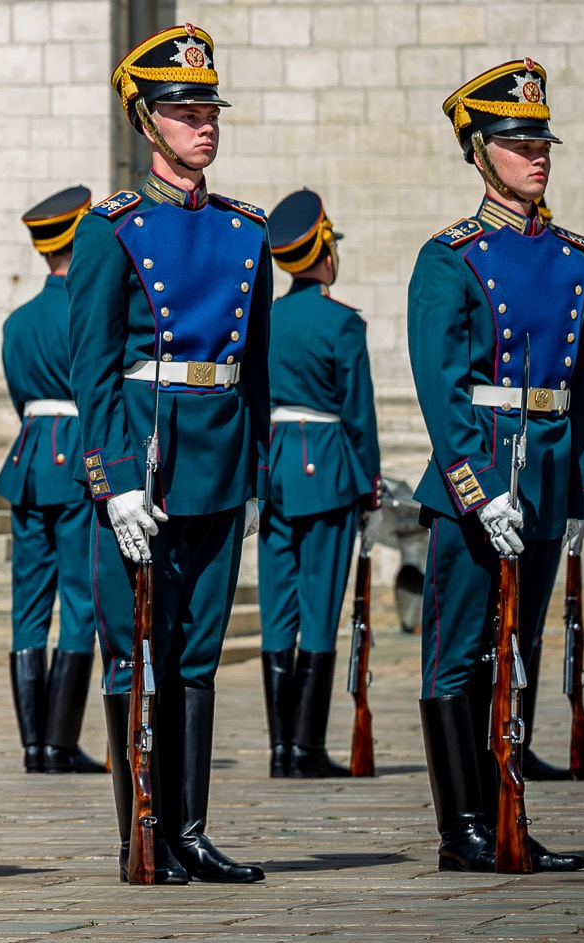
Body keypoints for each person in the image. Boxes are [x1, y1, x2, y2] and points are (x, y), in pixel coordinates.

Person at [70, 24, 268, 885]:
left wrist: (253, 473)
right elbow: (93, 369)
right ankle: (138, 831)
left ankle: (188, 827)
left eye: (208, 109)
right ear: (145, 123)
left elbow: (251, 370)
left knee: (195, 653)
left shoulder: (245, 230)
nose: (204, 124)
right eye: (185, 112)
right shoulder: (110, 230)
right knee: (134, 650)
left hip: (217, 462)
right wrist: (112, 482)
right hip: (143, 464)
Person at [408, 59, 584, 872]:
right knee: (459, 654)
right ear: (478, 152)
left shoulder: (574, 257)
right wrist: (476, 493)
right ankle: (466, 829)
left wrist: (577, 479)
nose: (536, 153)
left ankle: (511, 809)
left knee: (516, 649)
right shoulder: (450, 257)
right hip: (480, 480)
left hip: (545, 476)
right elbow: (441, 389)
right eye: (516, 141)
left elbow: (577, 384)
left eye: (540, 139)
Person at [257, 189, 380, 780]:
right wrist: (371, 488)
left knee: (278, 610)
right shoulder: (341, 323)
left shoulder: (265, 319)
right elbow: (359, 414)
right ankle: (305, 748)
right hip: (329, 468)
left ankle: (282, 749)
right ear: (324, 248)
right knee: (321, 608)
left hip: (274, 467)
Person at [0, 186, 103, 775]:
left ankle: (34, 744)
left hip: (29, 456)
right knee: (81, 600)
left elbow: (20, 397)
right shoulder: (87, 309)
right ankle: (60, 741)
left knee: (27, 603)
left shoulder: (17, 321)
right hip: (80, 458)